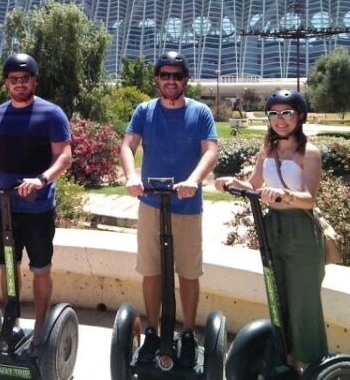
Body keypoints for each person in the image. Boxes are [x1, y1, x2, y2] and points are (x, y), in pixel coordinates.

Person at [215, 89, 328, 374]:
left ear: (299, 116)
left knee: (303, 306)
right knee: (278, 303)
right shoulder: (267, 150)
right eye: (274, 114)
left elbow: (309, 199)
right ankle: (285, 365)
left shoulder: (309, 152)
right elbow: (254, 185)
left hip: (300, 231)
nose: (280, 120)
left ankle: (309, 367)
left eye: (287, 113)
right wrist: (231, 182)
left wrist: (284, 195)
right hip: (272, 228)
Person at [0, 53, 71, 355]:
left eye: (25, 79)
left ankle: (39, 328)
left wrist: (42, 179)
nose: (20, 84)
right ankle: (10, 321)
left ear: (34, 81)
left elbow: (64, 155)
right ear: (6, 83)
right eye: (14, 80)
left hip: (37, 208)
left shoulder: (51, 114)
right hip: (4, 205)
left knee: (40, 268)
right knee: (6, 266)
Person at [120, 51, 218, 368]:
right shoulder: (144, 111)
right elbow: (127, 146)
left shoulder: (200, 112)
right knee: (151, 270)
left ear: (185, 80)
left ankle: (188, 332)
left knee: (188, 272)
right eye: (165, 75)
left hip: (187, 205)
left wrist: (193, 179)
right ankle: (151, 330)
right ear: (157, 79)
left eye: (177, 76)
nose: (171, 81)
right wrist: (132, 176)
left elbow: (210, 151)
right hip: (151, 203)